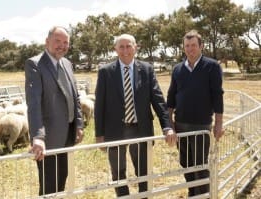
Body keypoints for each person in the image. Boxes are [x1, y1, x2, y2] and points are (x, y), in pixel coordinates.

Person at [94, 33, 176, 197]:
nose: (125, 50)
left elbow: (158, 100)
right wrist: (99, 135)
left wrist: (167, 126)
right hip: (115, 131)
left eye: (128, 46)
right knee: (118, 172)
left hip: (141, 129)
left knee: (143, 172)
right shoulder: (105, 72)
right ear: (115, 49)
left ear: (136, 47)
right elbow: (99, 105)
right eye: (121, 47)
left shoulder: (146, 69)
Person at [24, 26, 84, 195]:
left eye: (66, 42)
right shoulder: (35, 64)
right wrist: (38, 137)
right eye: (57, 41)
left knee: (61, 179)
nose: (62, 45)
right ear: (47, 41)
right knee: (49, 185)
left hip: (68, 134)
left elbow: (75, 97)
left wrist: (78, 124)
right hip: (48, 139)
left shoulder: (67, 63)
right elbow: (34, 103)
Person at [167, 30, 224, 197]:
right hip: (181, 125)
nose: (190, 49)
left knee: (200, 165)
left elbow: (217, 96)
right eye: (187, 46)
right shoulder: (177, 69)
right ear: (183, 48)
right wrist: (170, 122)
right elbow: (171, 96)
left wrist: (219, 124)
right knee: (186, 163)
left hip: (201, 125)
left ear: (201, 46)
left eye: (193, 45)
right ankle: (192, 192)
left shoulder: (212, 66)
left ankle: (204, 194)